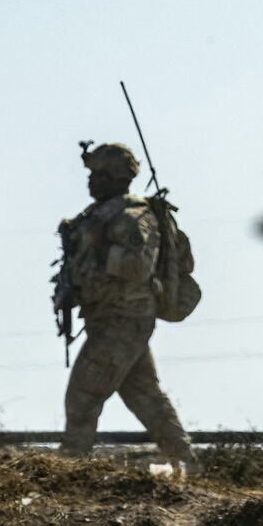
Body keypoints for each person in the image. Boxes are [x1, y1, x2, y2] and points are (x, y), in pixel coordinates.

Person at [57, 142, 196, 467]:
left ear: (115, 176)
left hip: (124, 318)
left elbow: (138, 266)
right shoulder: (102, 215)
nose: (91, 181)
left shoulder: (132, 217)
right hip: (111, 318)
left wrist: (99, 252)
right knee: (145, 396)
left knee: (82, 396)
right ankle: (187, 462)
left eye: (98, 174)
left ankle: (68, 468)